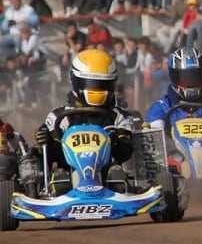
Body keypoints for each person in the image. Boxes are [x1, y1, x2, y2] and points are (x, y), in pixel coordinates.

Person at [32, 49, 136, 194]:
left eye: (102, 84)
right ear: (76, 82)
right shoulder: (59, 117)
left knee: (116, 173)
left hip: (107, 177)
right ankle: (48, 187)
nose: (97, 90)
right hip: (68, 174)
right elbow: (52, 153)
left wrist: (116, 140)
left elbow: (126, 152)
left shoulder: (119, 116)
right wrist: (46, 141)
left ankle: (117, 186)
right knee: (49, 164)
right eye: (91, 83)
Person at [144, 47, 202, 147]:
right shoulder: (163, 105)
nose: (192, 82)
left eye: (196, 77)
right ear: (173, 77)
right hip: (175, 158)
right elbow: (152, 132)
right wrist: (156, 128)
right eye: (186, 78)